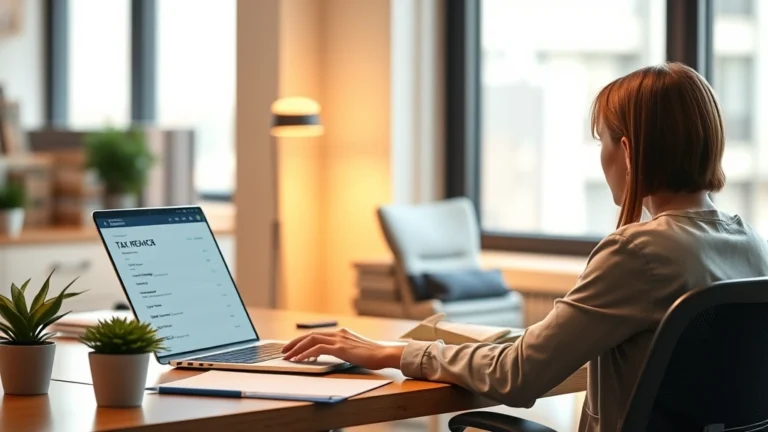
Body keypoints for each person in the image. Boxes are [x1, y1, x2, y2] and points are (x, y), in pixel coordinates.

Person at [281, 62, 768, 431]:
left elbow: (518, 377)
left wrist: (393, 352)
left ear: (627, 150)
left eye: (601, 140)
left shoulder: (637, 253)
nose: (601, 157)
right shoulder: (752, 245)